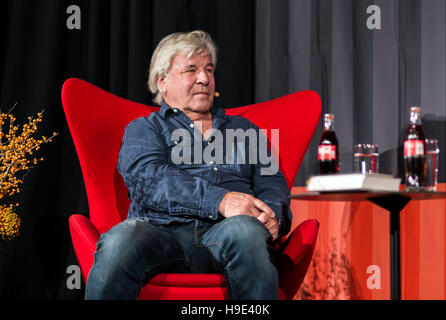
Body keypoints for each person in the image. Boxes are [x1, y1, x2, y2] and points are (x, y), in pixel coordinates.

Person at [84, 30, 292, 300]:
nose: (204, 79)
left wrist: (273, 216)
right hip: (160, 230)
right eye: (191, 70)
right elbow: (148, 180)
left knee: (246, 231)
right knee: (121, 240)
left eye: (209, 69)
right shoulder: (145, 128)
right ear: (162, 82)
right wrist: (220, 200)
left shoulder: (243, 129)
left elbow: (272, 183)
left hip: (229, 230)